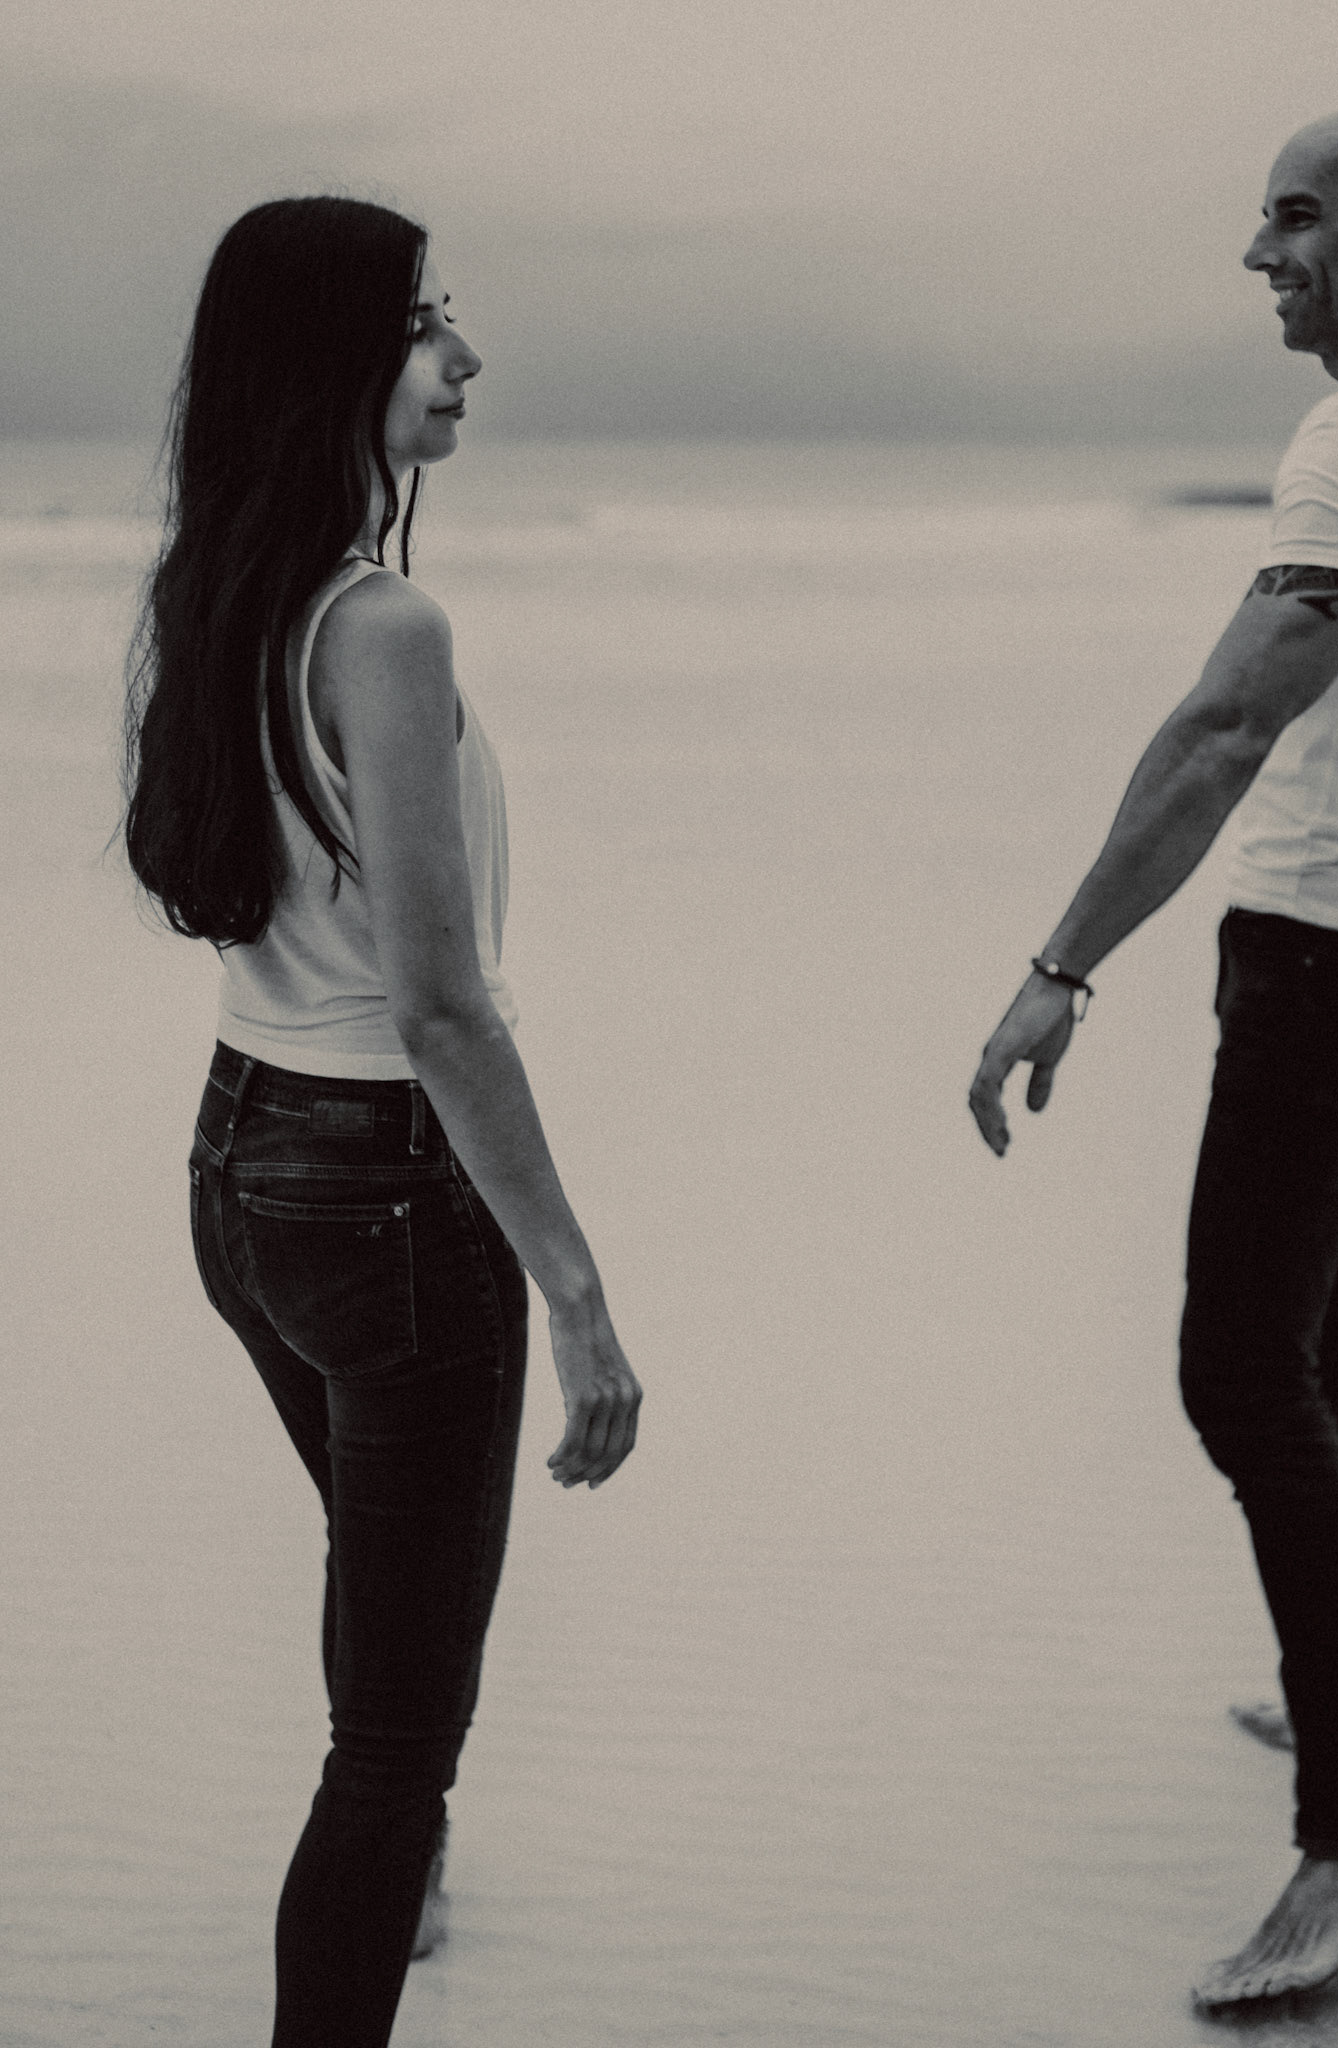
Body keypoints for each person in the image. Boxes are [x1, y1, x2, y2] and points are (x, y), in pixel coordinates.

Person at [968, 105, 1338, 2006]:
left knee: (1239, 1372)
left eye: (1291, 221)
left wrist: (1060, 963)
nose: (1256, 255)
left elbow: (1223, 723)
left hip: (1322, 952)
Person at [123, 197, 643, 2047]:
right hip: (381, 1198)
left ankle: (404, 1872)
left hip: (240, 1173)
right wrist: (573, 1291)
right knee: (396, 1744)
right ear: (337, 359)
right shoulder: (385, 624)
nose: (467, 357)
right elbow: (440, 1004)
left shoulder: (225, 596)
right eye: (429, 323)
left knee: (380, 1611)